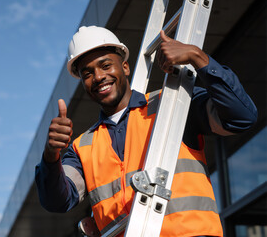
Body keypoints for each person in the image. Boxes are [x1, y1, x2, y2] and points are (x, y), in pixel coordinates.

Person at [35, 26, 257, 237]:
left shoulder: (172, 104)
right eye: (87, 73)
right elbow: (58, 200)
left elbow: (241, 117)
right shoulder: (82, 146)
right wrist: (50, 153)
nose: (99, 77)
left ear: (125, 67)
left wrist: (197, 56)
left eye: (105, 65)